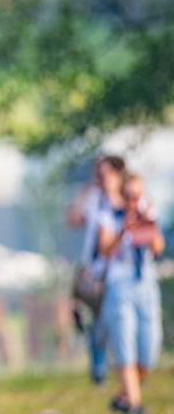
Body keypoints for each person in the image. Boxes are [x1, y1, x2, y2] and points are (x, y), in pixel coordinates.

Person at [96, 173, 165, 414]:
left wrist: (147, 226)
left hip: (145, 282)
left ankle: (123, 397)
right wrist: (122, 230)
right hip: (120, 284)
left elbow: (158, 248)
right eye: (128, 196)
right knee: (125, 343)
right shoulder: (109, 216)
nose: (133, 201)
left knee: (149, 350)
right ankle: (134, 405)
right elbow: (104, 251)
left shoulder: (147, 215)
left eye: (137, 196)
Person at [67, 155, 126, 384]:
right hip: (94, 270)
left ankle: (122, 368)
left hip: (118, 271)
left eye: (104, 174)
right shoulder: (94, 198)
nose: (100, 179)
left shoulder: (126, 198)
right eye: (98, 174)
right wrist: (85, 191)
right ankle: (99, 369)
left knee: (115, 322)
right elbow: (73, 220)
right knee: (95, 321)